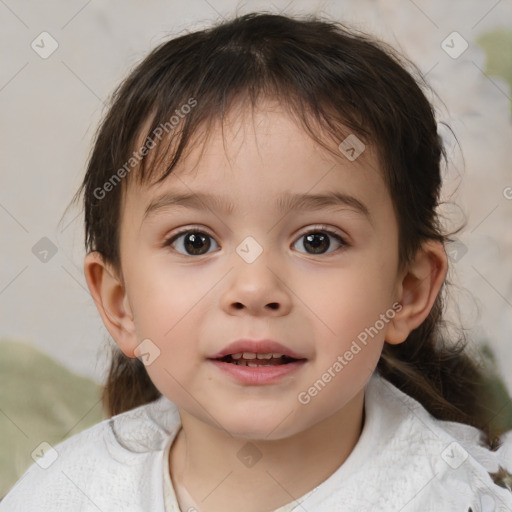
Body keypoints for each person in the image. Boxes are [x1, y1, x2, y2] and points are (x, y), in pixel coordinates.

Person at [2, 11, 511, 512]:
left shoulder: (460, 497)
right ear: (121, 304)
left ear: (408, 289)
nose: (254, 288)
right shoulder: (65, 493)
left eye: (317, 241)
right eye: (195, 242)